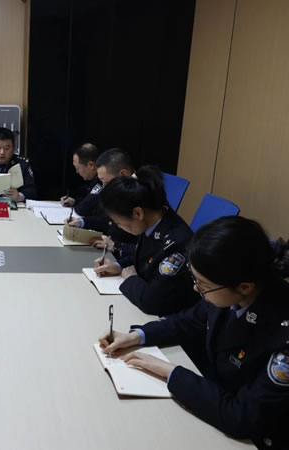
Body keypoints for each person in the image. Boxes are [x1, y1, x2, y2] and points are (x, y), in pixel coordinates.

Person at [99, 216, 289, 450]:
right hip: (217, 397)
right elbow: (189, 321)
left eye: (203, 285)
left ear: (245, 287)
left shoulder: (282, 337)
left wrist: (170, 372)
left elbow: (242, 417)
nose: (195, 288)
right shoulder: (231, 290)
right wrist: (136, 336)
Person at [93, 165, 199, 316]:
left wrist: (130, 278)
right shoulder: (154, 219)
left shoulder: (177, 243)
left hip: (170, 317)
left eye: (118, 222)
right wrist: (118, 266)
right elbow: (145, 257)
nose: (119, 227)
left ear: (138, 213)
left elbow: (152, 302)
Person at [66, 147, 137, 250]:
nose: (103, 188)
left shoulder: (142, 197)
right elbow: (107, 221)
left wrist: (117, 247)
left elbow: (150, 250)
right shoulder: (120, 193)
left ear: (123, 175)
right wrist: (81, 222)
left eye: (106, 182)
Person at [60, 143, 103, 217]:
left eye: (78, 168)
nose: (77, 172)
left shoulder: (102, 181)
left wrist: (77, 203)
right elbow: (86, 200)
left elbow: (83, 209)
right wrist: (74, 201)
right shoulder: (92, 180)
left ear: (91, 165)